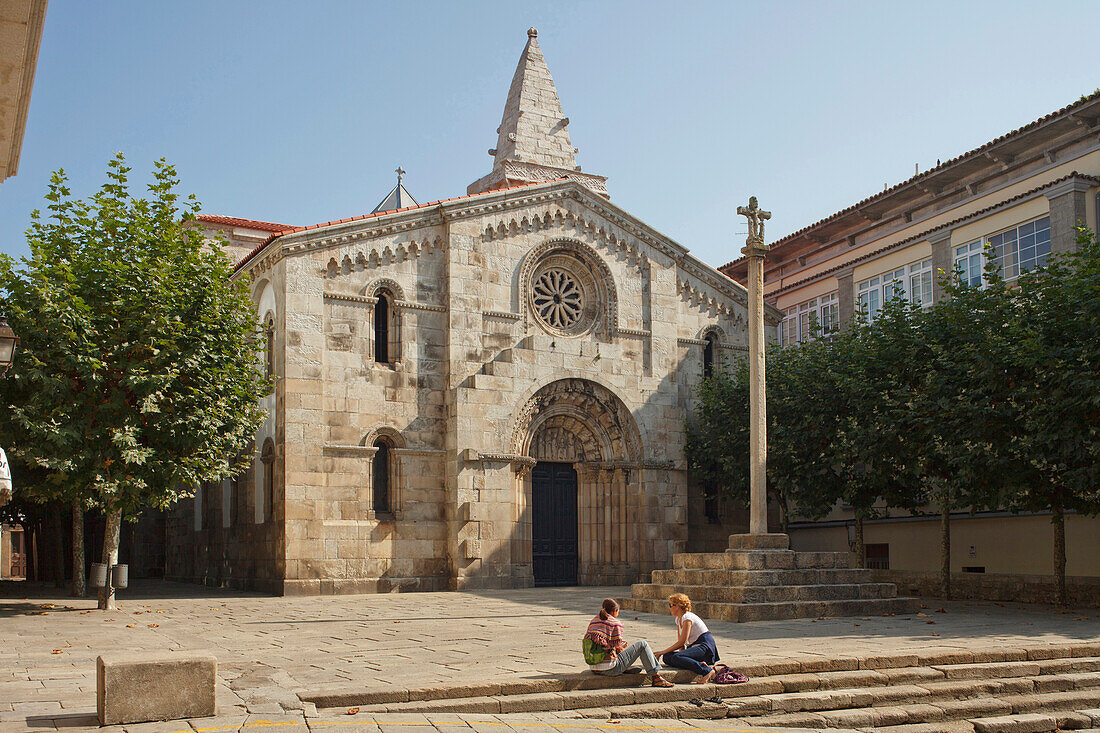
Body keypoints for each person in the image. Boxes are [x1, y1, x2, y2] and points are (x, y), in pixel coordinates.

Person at [583, 598, 674, 687]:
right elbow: (617, 647)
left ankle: (626, 668)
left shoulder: (594, 621)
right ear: (615, 611)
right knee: (642, 644)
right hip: (610, 669)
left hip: (594, 668)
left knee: (622, 653)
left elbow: (601, 643)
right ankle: (656, 677)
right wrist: (622, 649)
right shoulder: (615, 623)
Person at [656, 593, 720, 684]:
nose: (669, 608)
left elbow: (682, 641)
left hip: (704, 648)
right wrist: (674, 654)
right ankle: (695, 662)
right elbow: (681, 643)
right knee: (667, 657)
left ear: (677, 606)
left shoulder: (687, 617)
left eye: (671, 605)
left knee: (676, 656)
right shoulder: (678, 619)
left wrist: (662, 651)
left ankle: (706, 671)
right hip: (694, 648)